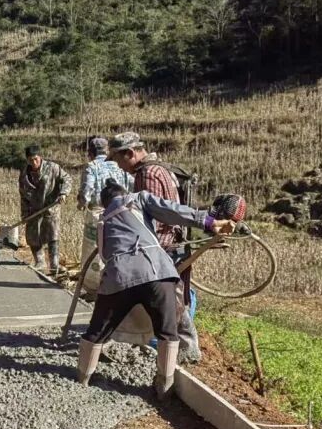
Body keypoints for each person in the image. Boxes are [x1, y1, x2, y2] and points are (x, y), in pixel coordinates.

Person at [77, 182, 235, 400]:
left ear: (105, 203)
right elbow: (171, 210)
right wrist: (210, 222)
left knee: (97, 331)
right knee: (167, 331)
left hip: (119, 275)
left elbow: (105, 256)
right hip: (157, 272)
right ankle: (164, 388)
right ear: (125, 194)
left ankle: (83, 378)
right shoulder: (137, 199)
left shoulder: (103, 221)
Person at [108, 131, 202, 361]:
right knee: (167, 297)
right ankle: (146, 341)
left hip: (162, 246)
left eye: (119, 160)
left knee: (170, 299)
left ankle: (186, 348)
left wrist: (145, 249)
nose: (119, 167)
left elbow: (156, 215)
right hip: (169, 244)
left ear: (129, 153)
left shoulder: (147, 175)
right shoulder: (159, 169)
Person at [76, 136, 129, 292]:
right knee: (116, 247)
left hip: (99, 213)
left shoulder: (92, 167)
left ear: (91, 153)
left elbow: (86, 191)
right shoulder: (118, 165)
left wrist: (82, 203)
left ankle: (94, 287)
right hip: (121, 212)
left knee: (95, 250)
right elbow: (130, 186)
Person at [18, 144, 72, 273]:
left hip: (51, 208)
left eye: (36, 159)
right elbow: (23, 195)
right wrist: (25, 214)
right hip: (33, 210)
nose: (34, 162)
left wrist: (63, 193)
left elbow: (67, 179)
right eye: (30, 160)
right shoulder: (24, 174)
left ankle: (54, 265)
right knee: (33, 236)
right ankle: (40, 262)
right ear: (27, 160)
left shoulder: (53, 168)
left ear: (40, 157)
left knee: (53, 235)